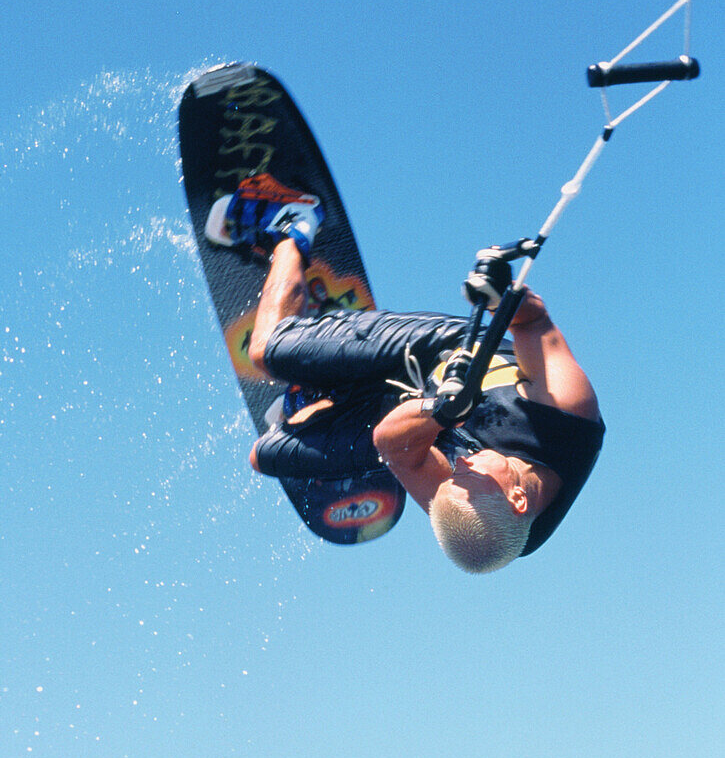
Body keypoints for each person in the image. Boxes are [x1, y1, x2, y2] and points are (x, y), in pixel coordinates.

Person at [208, 178, 605, 572]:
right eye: (470, 475)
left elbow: (393, 447)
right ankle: (296, 222)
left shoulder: (476, 519)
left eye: (455, 476)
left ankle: (323, 390)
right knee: (265, 353)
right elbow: (534, 322)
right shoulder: (569, 414)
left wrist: (439, 410)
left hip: (415, 416)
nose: (461, 466)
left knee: (264, 456)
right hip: (431, 350)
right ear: (519, 498)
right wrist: (503, 296)